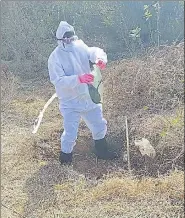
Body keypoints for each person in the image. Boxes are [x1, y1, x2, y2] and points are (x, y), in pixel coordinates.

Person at [48, 21, 117, 165]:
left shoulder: (79, 46)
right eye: (66, 38)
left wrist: (100, 59)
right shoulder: (55, 57)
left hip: (88, 96)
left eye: (71, 37)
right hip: (70, 101)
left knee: (98, 123)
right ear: (60, 39)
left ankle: (101, 151)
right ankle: (65, 159)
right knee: (70, 131)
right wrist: (78, 79)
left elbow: (93, 51)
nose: (69, 41)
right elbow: (58, 80)